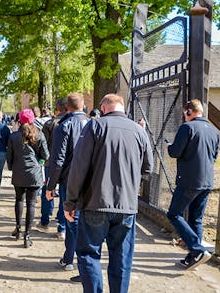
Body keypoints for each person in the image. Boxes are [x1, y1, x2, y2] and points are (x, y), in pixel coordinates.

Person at [64, 93, 153, 293]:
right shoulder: (139, 131)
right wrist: (130, 183)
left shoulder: (95, 127)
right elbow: (148, 168)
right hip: (126, 205)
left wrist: (70, 202)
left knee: (89, 254)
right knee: (121, 258)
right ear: (121, 107)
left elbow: (78, 167)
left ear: (103, 108)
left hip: (95, 202)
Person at [166, 99, 219, 270]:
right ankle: (193, 256)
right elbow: (214, 156)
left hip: (189, 180)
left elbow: (175, 152)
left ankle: (197, 249)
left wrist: (169, 146)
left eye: (185, 113)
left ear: (189, 112)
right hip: (207, 181)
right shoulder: (213, 131)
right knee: (196, 218)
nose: (185, 116)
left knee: (174, 214)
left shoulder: (187, 128)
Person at [45, 92, 89, 272]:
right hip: (90, 178)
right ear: (83, 104)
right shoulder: (94, 124)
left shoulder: (64, 126)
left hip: (69, 179)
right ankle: (74, 258)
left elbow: (58, 159)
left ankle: (74, 259)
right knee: (82, 219)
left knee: (71, 219)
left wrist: (50, 185)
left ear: (66, 107)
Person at [6, 108, 49, 248]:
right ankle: (27, 235)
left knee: (19, 200)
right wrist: (40, 161)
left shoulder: (13, 136)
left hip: (19, 172)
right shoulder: (39, 135)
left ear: (19, 120)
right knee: (31, 204)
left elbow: (9, 156)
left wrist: (13, 167)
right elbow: (46, 155)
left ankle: (18, 229)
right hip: (34, 174)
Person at [37, 97, 68, 236]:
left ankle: (44, 220)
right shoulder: (71, 123)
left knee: (48, 189)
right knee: (64, 194)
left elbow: (42, 145)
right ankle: (62, 227)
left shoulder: (50, 123)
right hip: (67, 164)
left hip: (50, 162)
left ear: (57, 109)